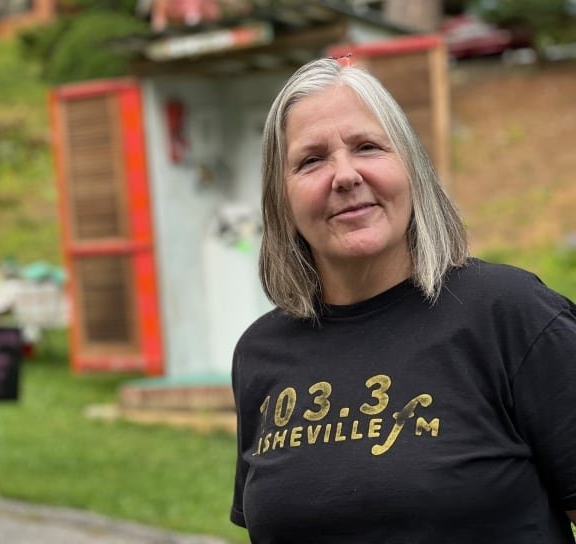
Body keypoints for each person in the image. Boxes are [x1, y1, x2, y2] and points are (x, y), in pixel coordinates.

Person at [229, 57, 576, 543]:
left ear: (411, 170)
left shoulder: (510, 315)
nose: (345, 175)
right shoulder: (260, 354)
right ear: (280, 201)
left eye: (367, 147)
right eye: (311, 160)